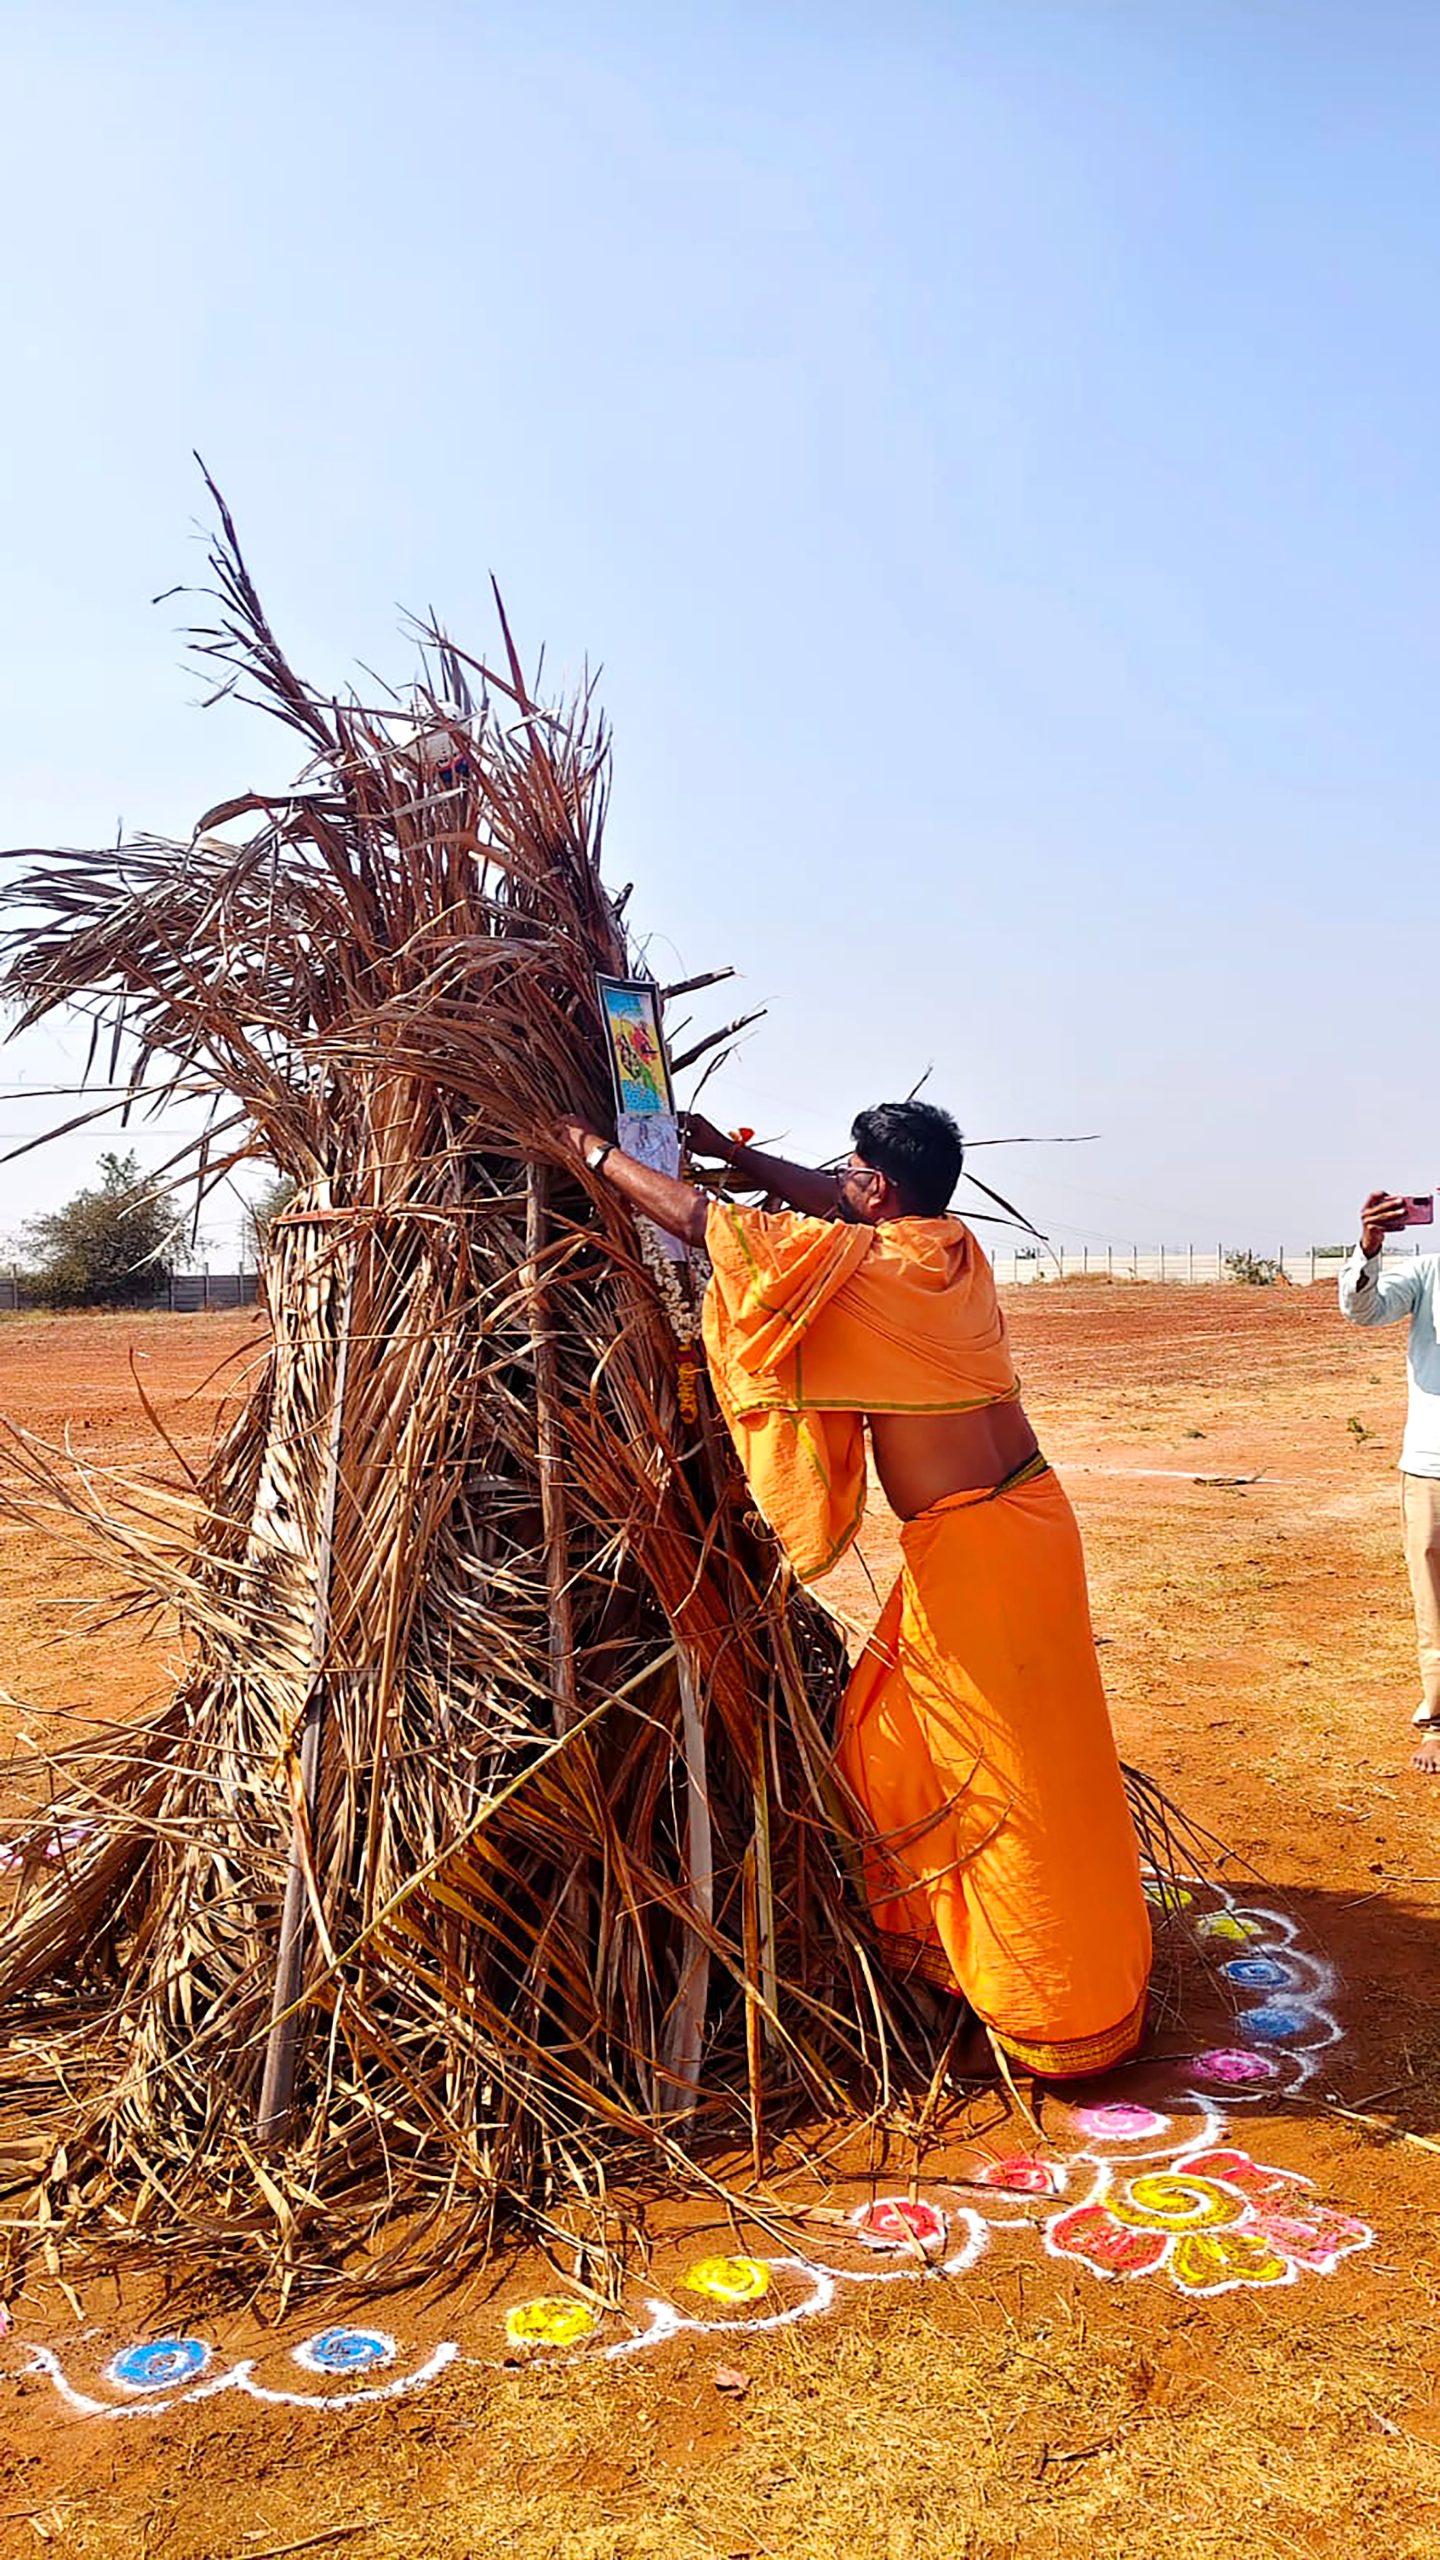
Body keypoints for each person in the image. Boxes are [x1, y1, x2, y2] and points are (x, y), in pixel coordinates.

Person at [555, 1099, 1152, 2079]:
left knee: (1006, 1771)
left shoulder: (866, 1266)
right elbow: (836, 1197)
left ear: (881, 1188)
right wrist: (725, 1151)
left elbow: (709, 1228)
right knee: (926, 1743)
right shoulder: (946, 1249)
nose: (843, 1184)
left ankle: (1059, 2002)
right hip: (1032, 1523)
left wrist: (592, 1150)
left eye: (856, 1173)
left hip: (981, 1558)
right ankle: (971, 1949)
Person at [1339, 1190, 1440, 1775]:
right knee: (1435, 1598)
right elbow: (1364, 1310)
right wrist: (1369, 1249)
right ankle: (1439, 1721)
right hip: (1431, 1464)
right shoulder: (1426, 1273)